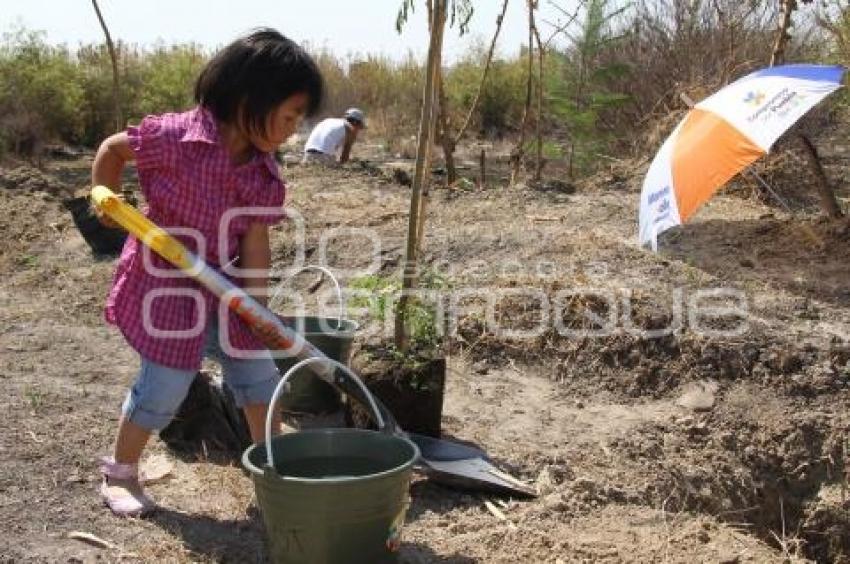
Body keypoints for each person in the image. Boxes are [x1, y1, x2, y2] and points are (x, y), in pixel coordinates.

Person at [91, 29, 323, 517]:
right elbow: (113, 150)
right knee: (169, 379)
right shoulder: (174, 138)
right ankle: (121, 470)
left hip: (223, 283)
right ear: (247, 100)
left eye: (297, 120)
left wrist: (256, 306)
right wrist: (104, 197)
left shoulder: (264, 174)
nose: (291, 130)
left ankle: (272, 474)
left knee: (260, 375)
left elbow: (255, 238)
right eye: (287, 116)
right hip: (163, 281)